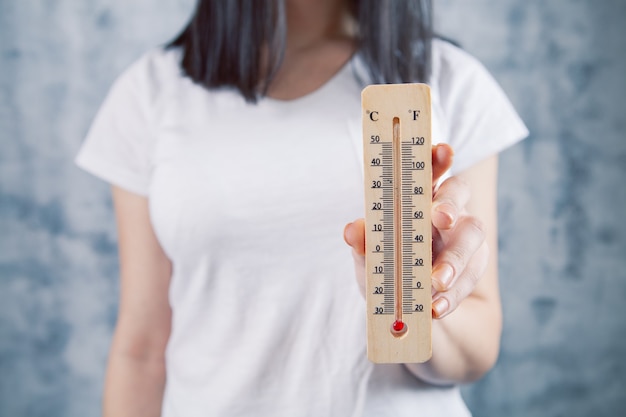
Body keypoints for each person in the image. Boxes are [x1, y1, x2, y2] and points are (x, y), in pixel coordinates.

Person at [75, 0, 528, 416]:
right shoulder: (149, 92)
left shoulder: (447, 79)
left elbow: (477, 349)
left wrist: (410, 299)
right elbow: (142, 350)